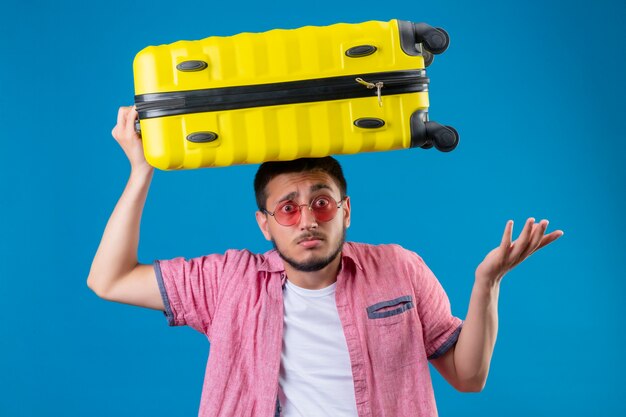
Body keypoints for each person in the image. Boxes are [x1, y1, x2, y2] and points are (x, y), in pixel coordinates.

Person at [87, 106, 564, 417]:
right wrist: (140, 172)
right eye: (288, 209)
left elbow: (469, 376)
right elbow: (109, 280)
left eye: (322, 203)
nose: (307, 221)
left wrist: (487, 283)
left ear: (346, 211)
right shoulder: (228, 281)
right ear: (265, 224)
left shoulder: (400, 268)